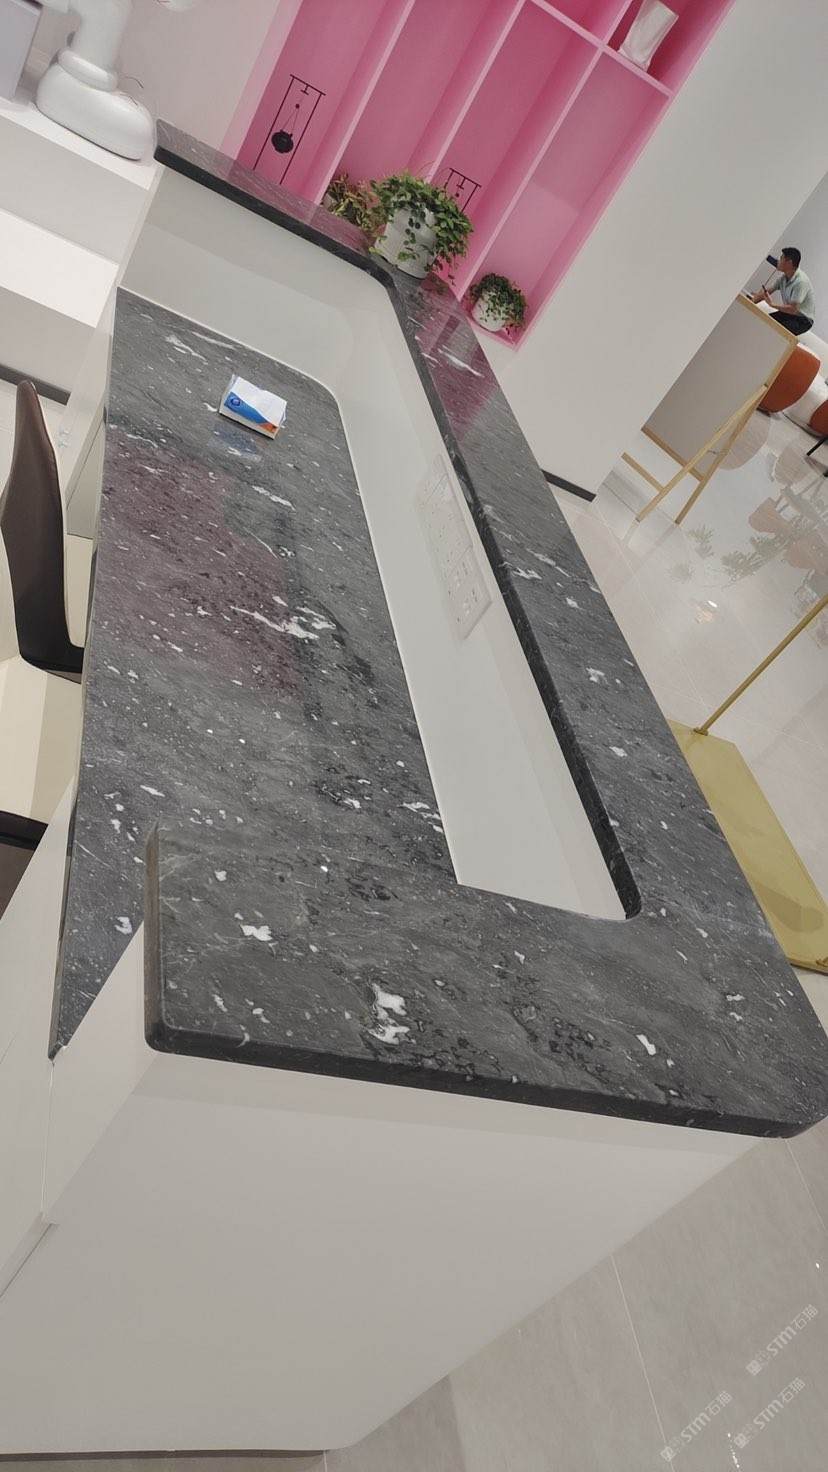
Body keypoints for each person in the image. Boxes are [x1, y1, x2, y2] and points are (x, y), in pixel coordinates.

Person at [750, 247, 815, 336]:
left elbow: (793, 308)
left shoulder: (800, 282)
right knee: (765, 323)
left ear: (789, 262)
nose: (778, 261)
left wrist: (772, 305)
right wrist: (751, 303)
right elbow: (766, 292)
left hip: (803, 320)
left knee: (776, 333)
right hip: (789, 313)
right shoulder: (783, 278)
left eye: (781, 258)